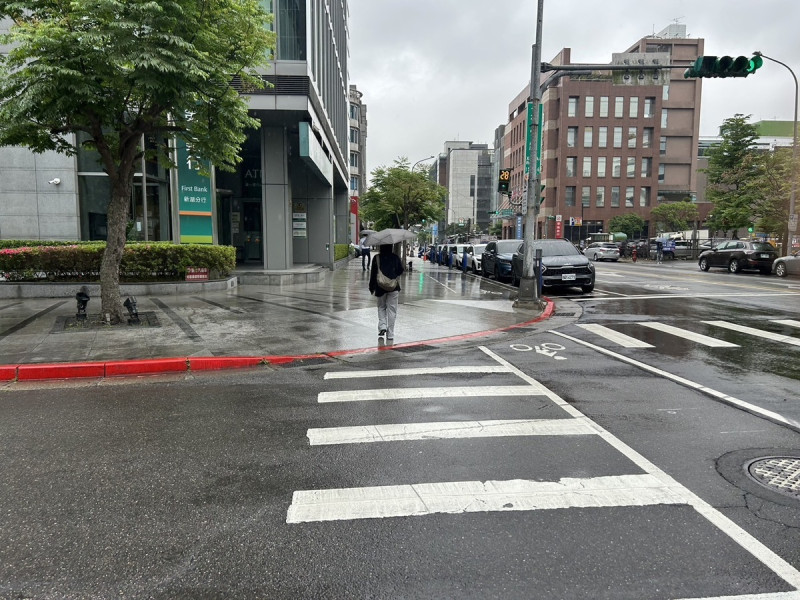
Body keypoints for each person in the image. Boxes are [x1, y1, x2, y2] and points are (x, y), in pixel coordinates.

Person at [369, 244, 405, 340]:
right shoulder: (395, 257)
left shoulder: (377, 258)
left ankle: (382, 326)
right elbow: (400, 270)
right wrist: (393, 274)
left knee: (381, 307)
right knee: (392, 310)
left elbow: (373, 274)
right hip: (393, 287)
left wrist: (371, 287)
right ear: (391, 247)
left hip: (380, 287)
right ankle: (390, 334)